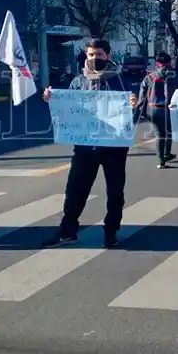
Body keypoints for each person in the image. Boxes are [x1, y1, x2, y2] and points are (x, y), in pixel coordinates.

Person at [41, 38, 139, 248]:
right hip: (85, 147)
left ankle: (111, 231)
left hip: (114, 147)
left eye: (99, 55)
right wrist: (52, 98)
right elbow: (68, 109)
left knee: (114, 192)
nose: (95, 59)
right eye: (91, 55)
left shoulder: (121, 80)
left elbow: (133, 110)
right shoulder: (78, 81)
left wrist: (134, 104)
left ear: (108, 56)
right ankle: (67, 231)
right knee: (75, 189)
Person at [136, 52, 178, 169]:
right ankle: (167, 153)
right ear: (169, 62)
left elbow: (141, 97)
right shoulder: (174, 76)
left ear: (157, 63)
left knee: (159, 134)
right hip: (170, 110)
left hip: (154, 110)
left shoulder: (149, 77)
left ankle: (161, 161)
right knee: (169, 131)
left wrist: (140, 111)